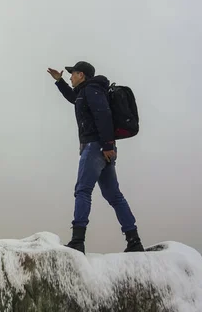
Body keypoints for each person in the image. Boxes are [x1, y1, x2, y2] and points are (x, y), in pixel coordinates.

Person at [47, 61, 144, 254]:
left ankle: (77, 241)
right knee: (114, 195)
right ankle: (134, 240)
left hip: (95, 147)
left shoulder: (92, 91)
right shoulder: (86, 92)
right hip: (102, 148)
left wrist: (107, 145)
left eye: (72, 74)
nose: (71, 77)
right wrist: (59, 82)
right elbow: (74, 98)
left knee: (82, 190)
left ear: (81, 75)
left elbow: (103, 115)